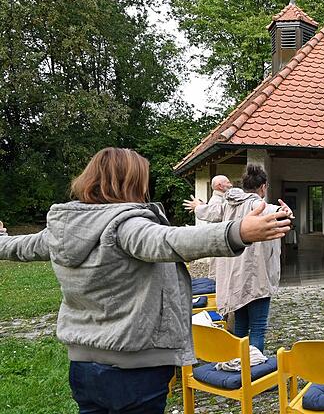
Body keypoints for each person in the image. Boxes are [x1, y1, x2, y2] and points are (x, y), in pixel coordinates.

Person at [0, 148, 291, 414]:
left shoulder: (63, 228)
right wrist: (237, 231)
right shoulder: (125, 226)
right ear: (131, 182)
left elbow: (18, 247)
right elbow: (171, 240)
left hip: (83, 366)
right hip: (134, 370)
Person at [185, 165, 293, 351]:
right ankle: (253, 368)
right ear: (264, 186)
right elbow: (275, 212)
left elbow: (209, 212)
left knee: (240, 326)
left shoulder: (228, 205)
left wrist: (198, 207)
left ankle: (238, 365)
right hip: (256, 277)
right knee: (258, 329)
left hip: (233, 277)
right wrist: (285, 212)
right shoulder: (259, 205)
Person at [184, 174, 233, 277]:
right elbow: (216, 215)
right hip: (219, 240)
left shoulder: (222, 199)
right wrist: (201, 208)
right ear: (220, 186)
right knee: (219, 272)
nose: (231, 185)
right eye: (228, 182)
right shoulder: (216, 200)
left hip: (222, 240)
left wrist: (202, 206)